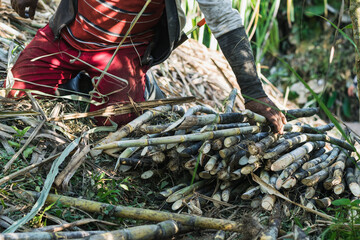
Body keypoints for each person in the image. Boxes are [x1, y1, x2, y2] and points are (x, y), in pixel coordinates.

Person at [8, 0, 286, 133]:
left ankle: (146, 88)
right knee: (17, 92)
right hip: (66, 36)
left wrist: (253, 93)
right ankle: (81, 84)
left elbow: (226, 23)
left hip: (120, 54)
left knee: (113, 124)